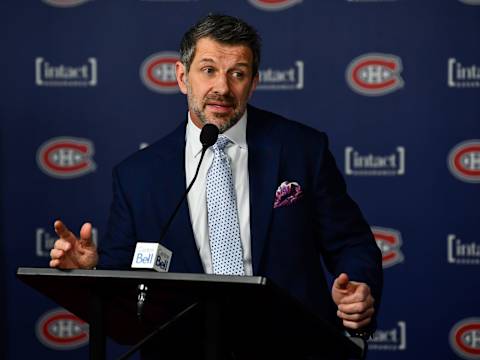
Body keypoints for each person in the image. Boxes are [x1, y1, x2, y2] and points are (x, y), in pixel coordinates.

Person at [50, 13, 382, 359]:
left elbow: (352, 243)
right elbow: (125, 287)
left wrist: (358, 288)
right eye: (208, 70)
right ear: (182, 77)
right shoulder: (137, 176)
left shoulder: (302, 150)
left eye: (237, 74)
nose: (222, 87)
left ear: (253, 83)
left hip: (293, 347)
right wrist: (88, 276)